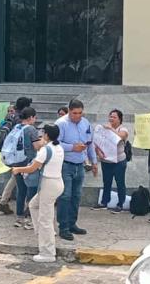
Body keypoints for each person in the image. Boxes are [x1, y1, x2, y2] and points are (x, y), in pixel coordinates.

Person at [12, 124, 65, 263]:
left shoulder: (45, 150)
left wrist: (17, 169)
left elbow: (32, 168)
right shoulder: (58, 147)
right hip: (56, 183)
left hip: (49, 184)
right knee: (33, 205)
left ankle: (47, 253)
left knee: (45, 219)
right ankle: (43, 233)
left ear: (46, 135)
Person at [56, 99, 97, 241]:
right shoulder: (61, 124)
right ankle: (63, 227)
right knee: (65, 196)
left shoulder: (85, 123)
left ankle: (72, 223)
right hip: (65, 164)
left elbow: (90, 143)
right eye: (74, 113)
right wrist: (72, 147)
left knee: (76, 196)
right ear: (69, 111)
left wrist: (94, 161)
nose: (77, 116)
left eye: (80, 113)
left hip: (80, 164)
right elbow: (55, 143)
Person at [0, 97, 33, 214]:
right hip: (19, 153)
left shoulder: (10, 115)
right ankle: (26, 207)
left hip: (8, 152)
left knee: (14, 176)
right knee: (22, 179)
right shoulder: (21, 120)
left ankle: (3, 201)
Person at [11, 107, 43, 230]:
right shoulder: (31, 129)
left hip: (17, 162)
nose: (35, 120)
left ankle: (19, 217)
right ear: (30, 117)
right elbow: (36, 146)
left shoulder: (17, 127)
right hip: (29, 163)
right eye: (34, 117)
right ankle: (29, 218)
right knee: (31, 190)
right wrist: (43, 141)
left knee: (21, 190)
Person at [92, 109, 129, 213]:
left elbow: (121, 136)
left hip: (119, 161)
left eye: (114, 117)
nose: (111, 119)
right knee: (106, 182)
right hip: (106, 160)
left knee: (120, 182)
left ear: (119, 119)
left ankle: (120, 204)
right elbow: (97, 141)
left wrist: (111, 129)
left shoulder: (123, 129)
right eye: (110, 116)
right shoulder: (104, 129)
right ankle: (104, 202)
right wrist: (98, 152)